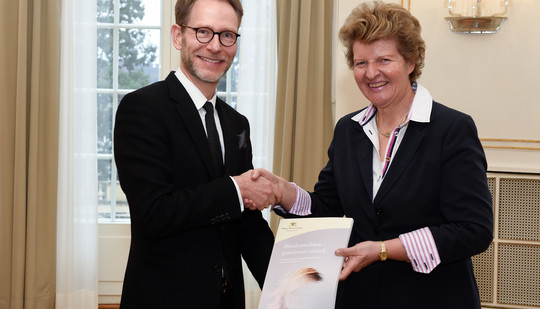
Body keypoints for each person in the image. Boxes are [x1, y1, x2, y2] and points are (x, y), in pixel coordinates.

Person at [250, 2, 493, 308]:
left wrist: (383, 249)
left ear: (410, 60)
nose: (371, 73)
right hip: (360, 297)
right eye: (361, 63)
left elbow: (474, 230)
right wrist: (283, 192)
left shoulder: (451, 129)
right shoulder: (348, 130)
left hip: (432, 297)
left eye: (384, 60)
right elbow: (327, 207)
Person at [113, 0, 279, 308]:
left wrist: (290, 286)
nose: (215, 46)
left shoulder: (236, 124)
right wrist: (236, 189)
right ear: (178, 36)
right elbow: (155, 213)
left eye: (227, 35)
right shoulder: (142, 109)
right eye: (203, 32)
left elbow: (247, 223)